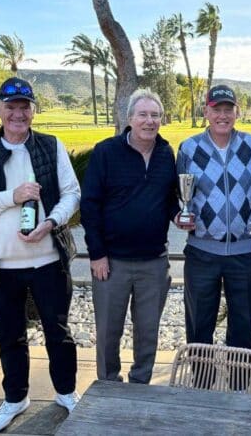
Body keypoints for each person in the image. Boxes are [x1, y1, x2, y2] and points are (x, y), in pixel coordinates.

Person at [0, 77, 81, 434]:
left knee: (59, 333)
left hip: (48, 262)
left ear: (33, 111)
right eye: (10, 107)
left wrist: (51, 222)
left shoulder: (51, 146)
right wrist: (12, 195)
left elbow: (72, 193)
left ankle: (66, 393)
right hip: (2, 266)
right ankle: (15, 399)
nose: (18, 113)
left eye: (25, 106)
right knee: (11, 336)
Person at [80, 88, 178, 385]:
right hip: (112, 263)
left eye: (155, 115)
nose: (150, 121)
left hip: (154, 261)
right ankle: (108, 383)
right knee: (109, 331)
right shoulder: (106, 151)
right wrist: (97, 254)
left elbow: (171, 197)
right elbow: (90, 205)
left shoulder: (165, 153)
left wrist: (178, 215)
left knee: (148, 330)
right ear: (130, 118)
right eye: (143, 115)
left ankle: (140, 383)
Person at [176, 85, 251, 367]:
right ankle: (202, 384)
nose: (223, 115)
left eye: (228, 109)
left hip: (244, 251)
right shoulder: (189, 148)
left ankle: (240, 385)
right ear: (206, 112)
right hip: (201, 252)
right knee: (200, 325)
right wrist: (180, 215)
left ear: (236, 112)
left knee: (244, 324)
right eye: (217, 109)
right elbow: (178, 195)